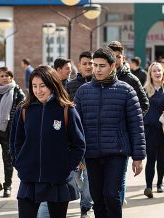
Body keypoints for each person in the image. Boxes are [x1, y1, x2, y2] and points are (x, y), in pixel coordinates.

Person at [74, 47, 146, 217]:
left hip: (117, 152)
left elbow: (136, 125)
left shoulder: (126, 90)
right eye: (95, 65)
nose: (97, 70)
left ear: (113, 66)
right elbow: (75, 126)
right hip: (91, 153)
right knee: (97, 198)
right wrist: (76, 154)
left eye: (102, 66)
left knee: (112, 195)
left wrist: (138, 157)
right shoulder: (83, 92)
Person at [10, 65, 85, 218]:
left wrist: (66, 167)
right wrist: (19, 164)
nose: (38, 91)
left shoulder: (66, 110)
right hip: (29, 178)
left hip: (57, 179)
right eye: (34, 86)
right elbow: (15, 142)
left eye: (42, 86)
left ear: (52, 85)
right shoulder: (23, 110)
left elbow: (79, 144)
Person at [107, 41, 149, 205]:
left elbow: (144, 104)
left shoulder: (131, 79)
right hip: (102, 136)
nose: (116, 60)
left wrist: (130, 120)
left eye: (119, 56)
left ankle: (118, 201)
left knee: (120, 173)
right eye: (113, 56)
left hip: (122, 135)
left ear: (123, 57)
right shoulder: (99, 77)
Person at [0, 67, 25, 198]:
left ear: (11, 77)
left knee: (8, 160)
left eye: (7, 75)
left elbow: (22, 111)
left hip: (9, 131)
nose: (4, 78)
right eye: (2, 76)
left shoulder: (17, 92)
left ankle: (7, 186)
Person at [64, 51, 94, 217]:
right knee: (75, 174)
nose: (89, 66)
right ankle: (86, 197)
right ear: (79, 66)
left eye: (91, 63)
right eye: (85, 63)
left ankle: (85, 204)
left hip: (91, 138)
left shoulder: (99, 84)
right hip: (74, 138)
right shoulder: (71, 85)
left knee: (89, 175)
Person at [142, 62, 164, 198]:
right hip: (149, 130)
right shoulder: (144, 90)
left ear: (163, 73)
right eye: (154, 71)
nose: (157, 73)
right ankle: (148, 187)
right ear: (150, 74)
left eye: (159, 71)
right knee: (151, 158)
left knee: (161, 157)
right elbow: (139, 109)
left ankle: (160, 184)